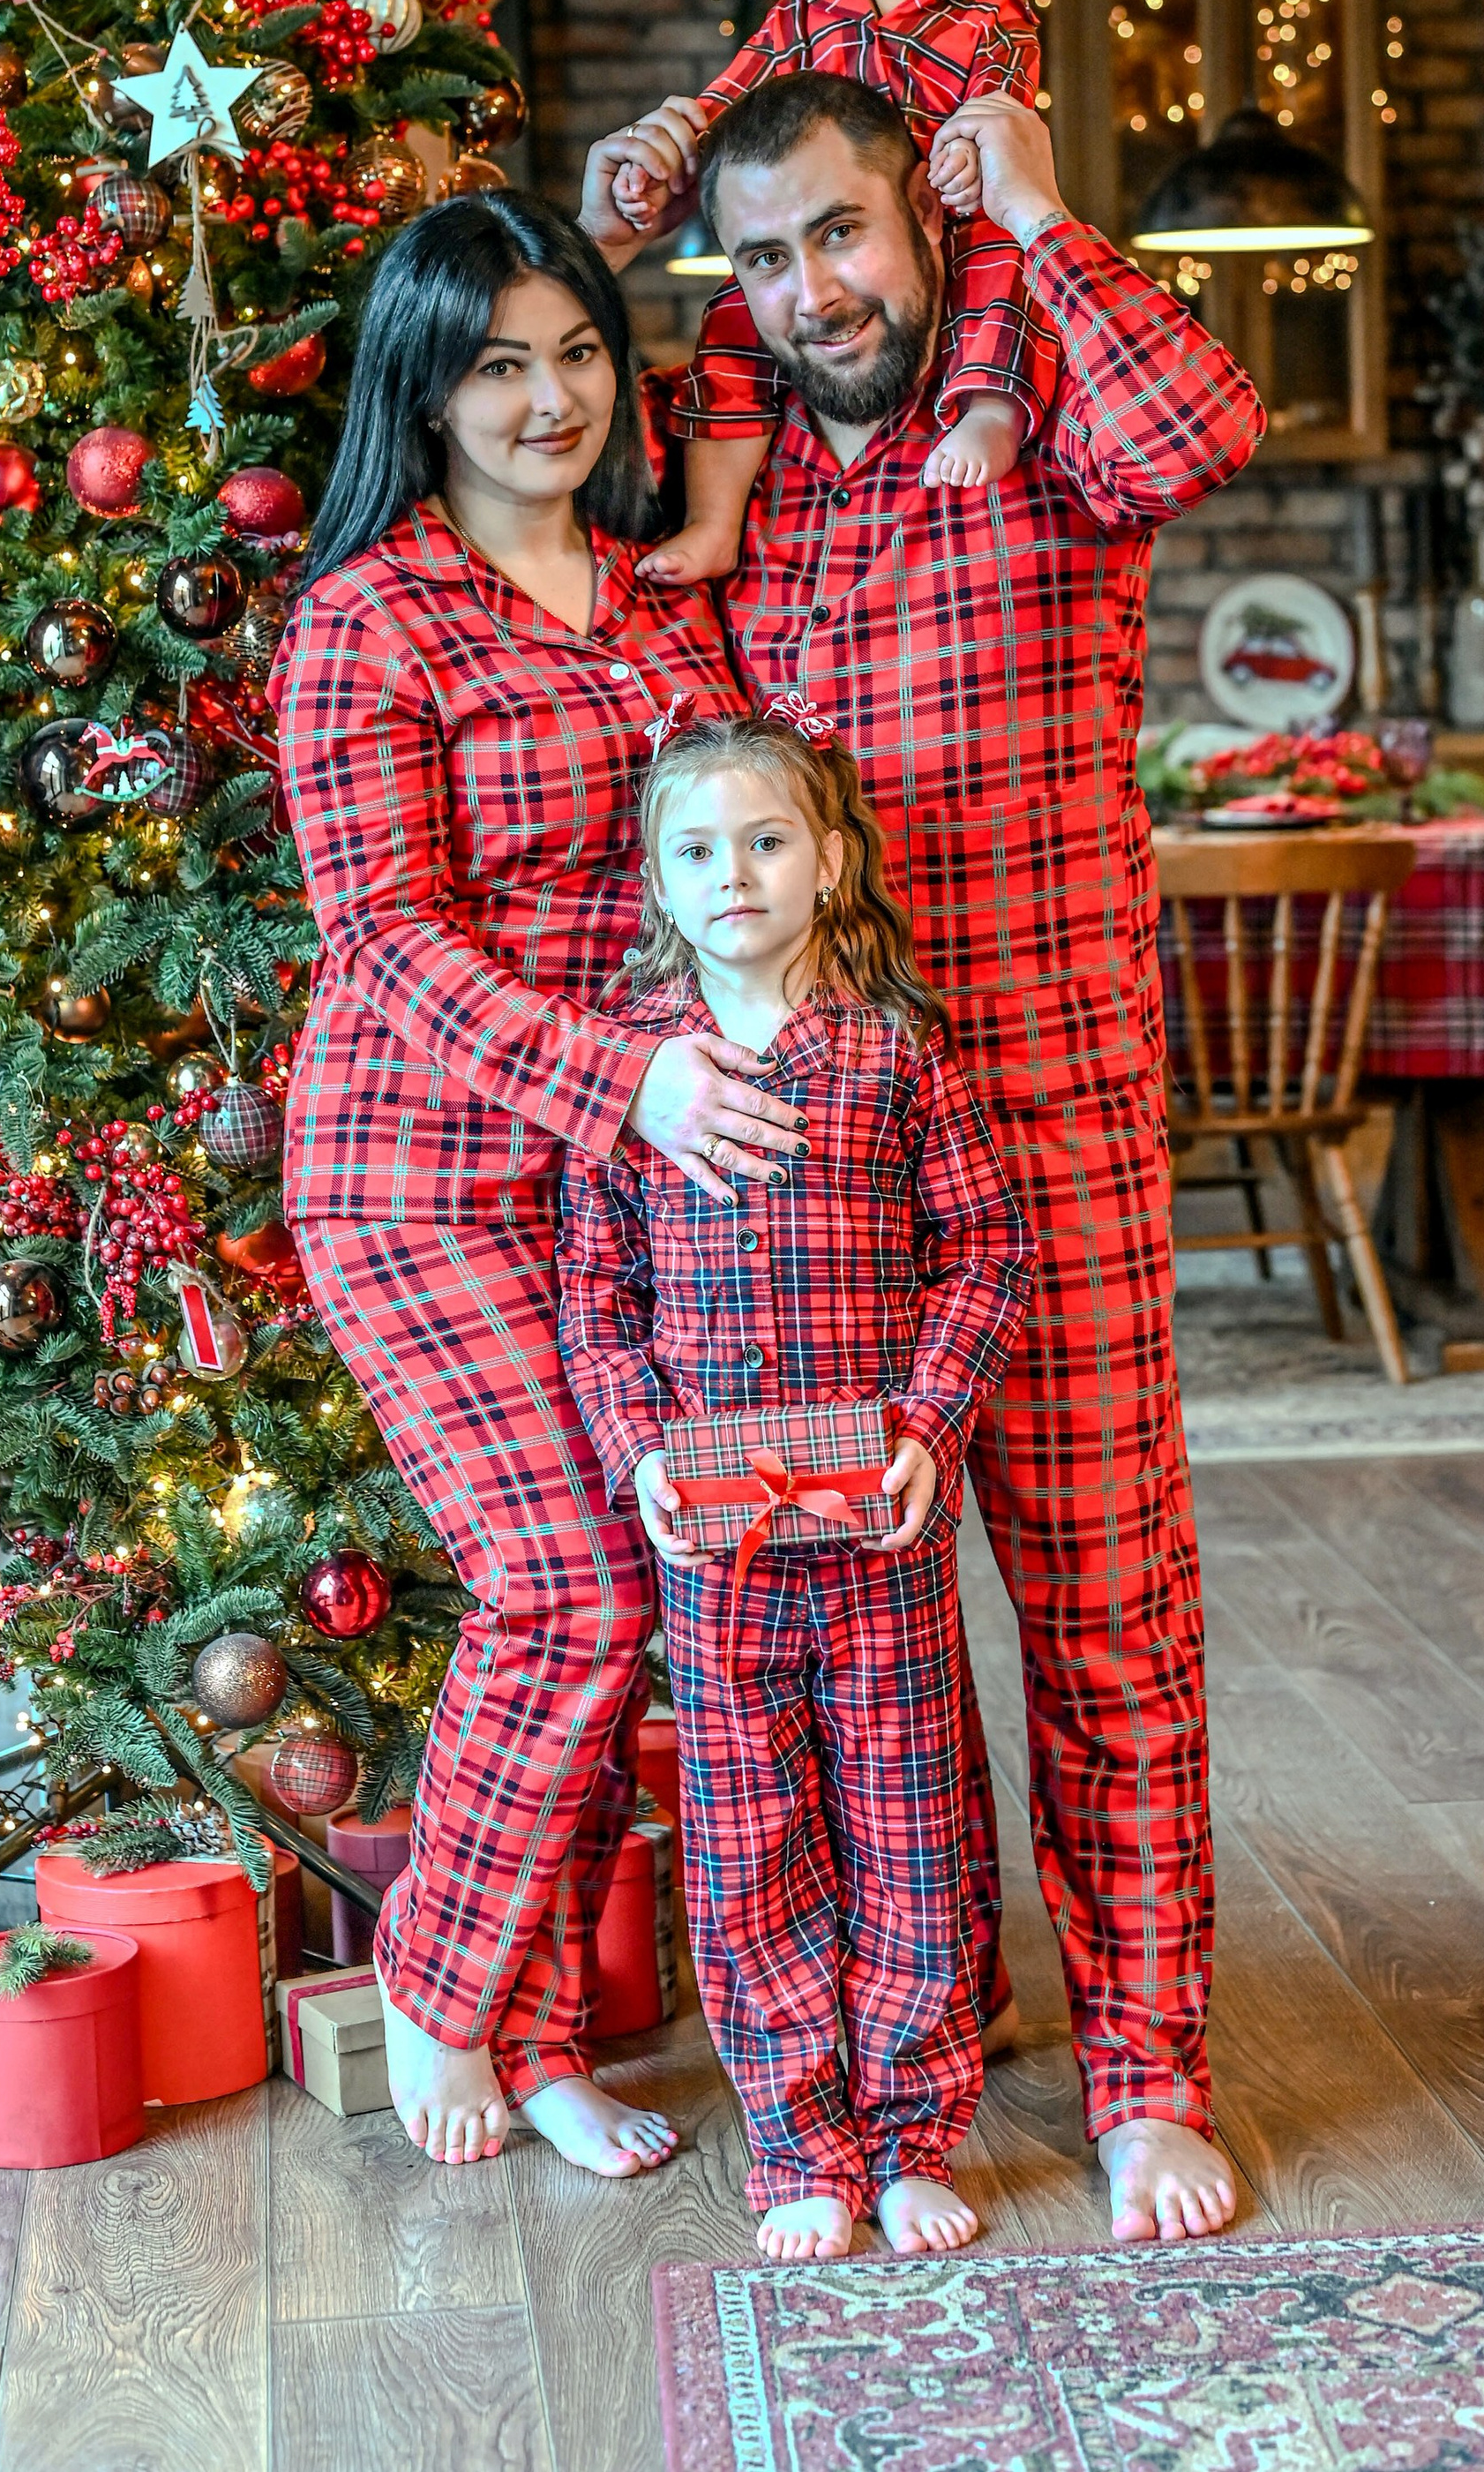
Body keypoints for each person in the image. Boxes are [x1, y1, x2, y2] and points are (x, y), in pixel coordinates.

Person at [580, 71, 1267, 2245]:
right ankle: (913, 2049)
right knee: (852, 1663)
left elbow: (1203, 428)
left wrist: (1042, 213)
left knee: (1100, 1618)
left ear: (924, 218)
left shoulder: (1036, 419)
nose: (807, 290)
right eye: (762, 257)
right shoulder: (736, 495)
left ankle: (1147, 2062)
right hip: (792, 1196)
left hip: (1043, 1134)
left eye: (841, 236)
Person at [272, 189, 809, 2175]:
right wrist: (631, 1084)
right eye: (497, 361)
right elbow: (385, 941)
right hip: (418, 1175)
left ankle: (550, 2027)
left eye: (576, 348)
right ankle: (438, 1994)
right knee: (563, 1584)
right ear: (422, 388)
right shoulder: (364, 620)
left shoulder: (667, 605)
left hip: (628, 1186)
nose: (547, 395)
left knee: (645, 1583)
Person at [557, 704, 1031, 2264]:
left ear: (828, 863)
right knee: (751, 1834)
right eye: (699, 849)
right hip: (715, 1546)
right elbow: (597, 1294)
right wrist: (635, 1455)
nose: (735, 872)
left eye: (767, 840)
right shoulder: (641, 1085)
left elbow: (985, 1252)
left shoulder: (900, 1057)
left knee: (908, 1821)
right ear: (658, 882)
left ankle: (911, 2132)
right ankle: (800, 2143)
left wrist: (929, 1425)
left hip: (883, 1527)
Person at [615, 0, 1057, 587]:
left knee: (1001, 282)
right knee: (734, 325)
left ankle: (988, 414)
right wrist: (674, 151)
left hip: (940, 213)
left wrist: (970, 160)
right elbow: (734, 92)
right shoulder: (814, 3)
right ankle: (713, 518)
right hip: (824, 216)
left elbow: (997, 107)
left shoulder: (995, 13)